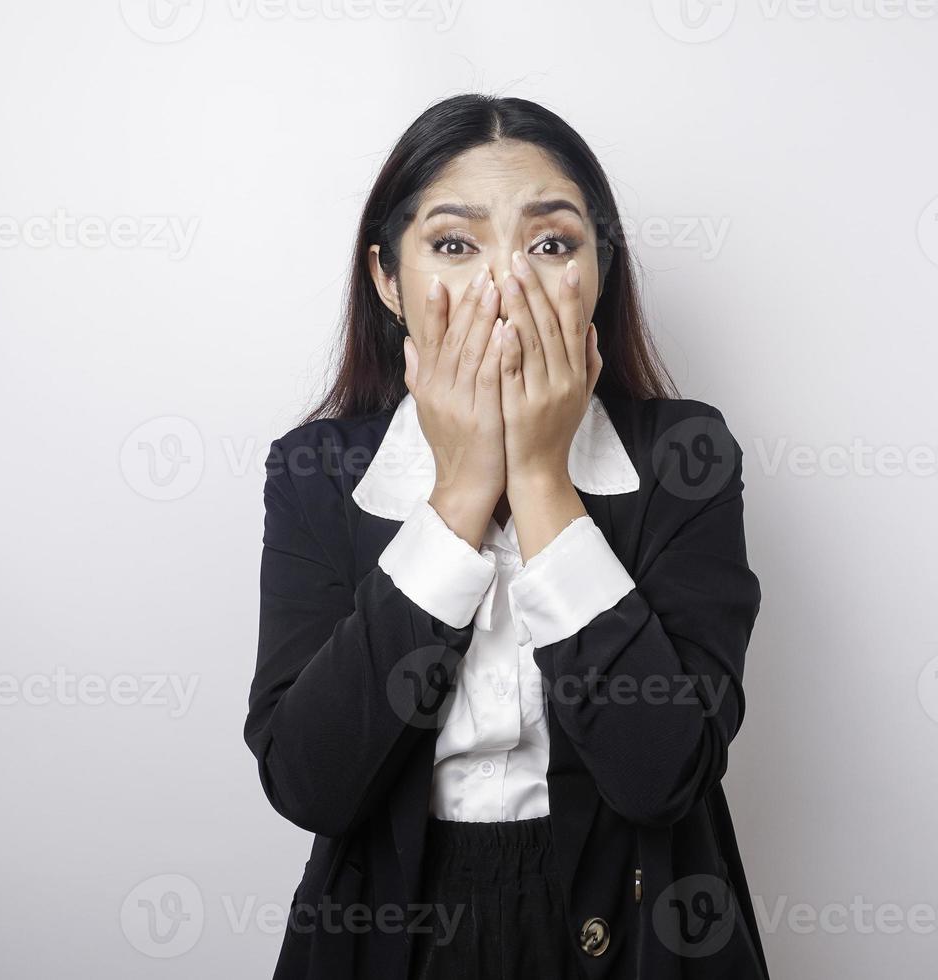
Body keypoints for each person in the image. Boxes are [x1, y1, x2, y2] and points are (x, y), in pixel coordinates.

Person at [245, 93, 769, 980]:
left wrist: (538, 479)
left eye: (551, 244)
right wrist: (457, 495)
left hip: (637, 930)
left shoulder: (687, 453)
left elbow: (664, 775)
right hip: (390, 939)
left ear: (597, 274)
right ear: (387, 281)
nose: (504, 287)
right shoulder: (316, 472)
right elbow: (311, 783)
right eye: (455, 245)